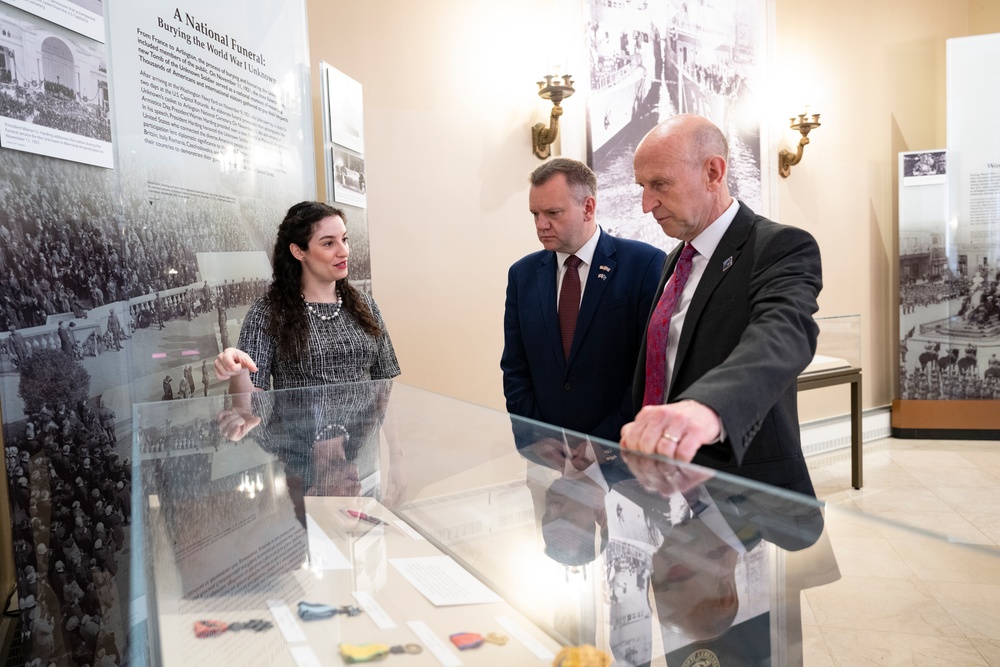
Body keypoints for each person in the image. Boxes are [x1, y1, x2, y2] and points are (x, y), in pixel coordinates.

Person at [622, 114, 822, 496]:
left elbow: (781, 334)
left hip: (745, 493)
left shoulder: (779, 247)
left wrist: (705, 407)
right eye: (642, 187)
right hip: (667, 481)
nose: (647, 204)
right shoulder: (675, 260)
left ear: (713, 172)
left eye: (660, 184)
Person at [502, 158, 666, 443]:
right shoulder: (522, 275)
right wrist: (538, 438)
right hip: (547, 457)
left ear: (588, 208)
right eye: (535, 214)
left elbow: (651, 369)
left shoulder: (644, 264)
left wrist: (600, 446)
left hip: (620, 458)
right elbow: (515, 368)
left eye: (553, 212)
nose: (541, 224)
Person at [215, 201, 400, 397]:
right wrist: (240, 373)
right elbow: (248, 405)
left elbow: (385, 384)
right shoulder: (268, 310)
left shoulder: (365, 305)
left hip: (364, 428)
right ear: (298, 251)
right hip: (296, 428)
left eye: (344, 239)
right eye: (329, 243)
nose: (344, 251)